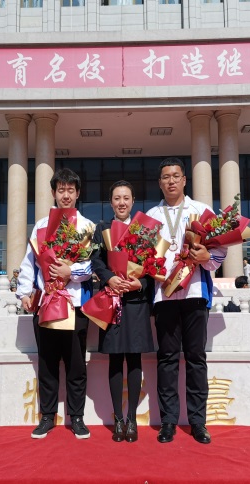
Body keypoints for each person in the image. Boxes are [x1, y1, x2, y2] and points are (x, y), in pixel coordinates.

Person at [146, 158, 227, 444]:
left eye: (175, 176)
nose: (171, 181)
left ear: (183, 180)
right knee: (167, 359)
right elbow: (142, 255)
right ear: (160, 183)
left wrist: (207, 257)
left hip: (195, 294)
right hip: (164, 294)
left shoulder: (201, 210)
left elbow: (220, 251)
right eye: (165, 177)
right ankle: (168, 421)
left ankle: (198, 422)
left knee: (196, 358)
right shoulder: (150, 216)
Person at [17, 168, 94, 440]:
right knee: (47, 363)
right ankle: (47, 417)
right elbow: (29, 263)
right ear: (53, 193)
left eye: (70, 190)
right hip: (46, 302)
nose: (66, 195)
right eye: (61, 190)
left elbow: (91, 267)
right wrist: (24, 293)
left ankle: (77, 418)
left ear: (78, 193)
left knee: (76, 365)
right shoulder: (40, 226)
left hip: (75, 304)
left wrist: (70, 272)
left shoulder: (86, 226)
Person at [91, 180, 154, 443]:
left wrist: (142, 282)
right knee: (115, 360)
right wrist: (109, 278)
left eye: (126, 198)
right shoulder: (102, 229)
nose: (121, 203)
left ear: (133, 201)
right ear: (111, 202)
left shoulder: (144, 230)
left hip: (136, 302)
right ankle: (118, 418)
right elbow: (95, 260)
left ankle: (132, 419)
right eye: (117, 198)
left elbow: (154, 264)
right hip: (113, 300)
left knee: (135, 359)